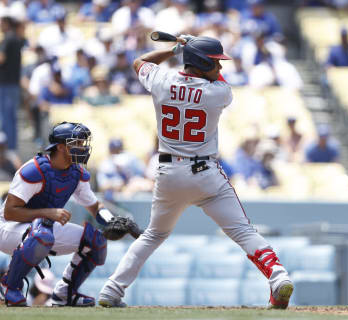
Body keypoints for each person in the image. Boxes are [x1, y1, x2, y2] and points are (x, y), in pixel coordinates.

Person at [98, 35, 294, 309]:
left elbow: (138, 62)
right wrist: (188, 48)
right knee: (242, 230)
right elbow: (220, 84)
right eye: (215, 63)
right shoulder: (218, 92)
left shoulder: (161, 81)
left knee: (153, 235)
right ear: (201, 63)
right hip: (205, 173)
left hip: (167, 173)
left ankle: (111, 289)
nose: (221, 68)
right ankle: (277, 276)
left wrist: (175, 48)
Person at [0, 122, 118, 306]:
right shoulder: (34, 170)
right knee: (41, 235)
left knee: (96, 242)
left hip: (42, 228)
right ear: (61, 147)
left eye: (82, 143)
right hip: (7, 229)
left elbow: (95, 206)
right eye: (77, 143)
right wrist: (47, 212)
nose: (82, 148)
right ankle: (10, 286)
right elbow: (10, 212)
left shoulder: (76, 173)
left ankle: (65, 293)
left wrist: (112, 220)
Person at [0, 11, 23, 152]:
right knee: (10, 118)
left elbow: (1, 58)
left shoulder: (8, 39)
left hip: (6, 85)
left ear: (7, 23)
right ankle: (11, 148)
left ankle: (6, 149)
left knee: (5, 117)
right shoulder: (17, 38)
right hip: (13, 84)